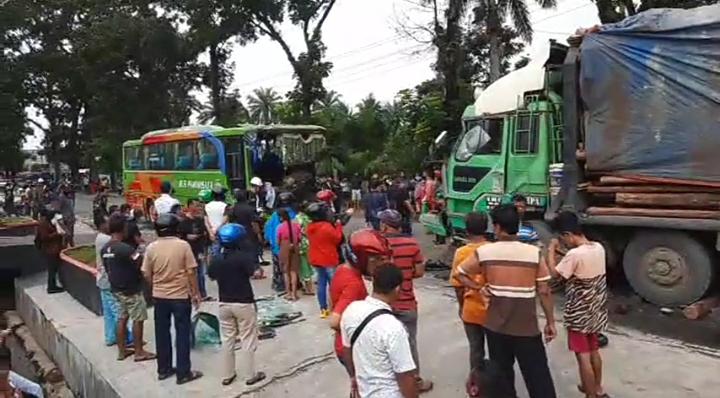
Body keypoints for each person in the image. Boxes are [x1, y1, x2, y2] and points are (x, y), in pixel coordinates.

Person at [456, 204, 557, 398]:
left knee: (501, 378)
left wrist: (479, 288)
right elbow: (544, 291)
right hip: (527, 328)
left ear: (497, 227)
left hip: (496, 328)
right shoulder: (533, 253)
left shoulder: (486, 253)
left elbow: (461, 274)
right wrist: (550, 322)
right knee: (539, 379)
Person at [547, 211, 609, 398]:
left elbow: (554, 274)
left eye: (562, 238)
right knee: (594, 350)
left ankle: (590, 394)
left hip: (579, 313)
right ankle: (597, 388)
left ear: (567, 234)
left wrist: (551, 250)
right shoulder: (598, 247)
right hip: (596, 309)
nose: (562, 242)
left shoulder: (574, 255)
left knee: (582, 356)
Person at [141, 214, 203, 384]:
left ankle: (164, 369)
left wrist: (156, 284)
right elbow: (191, 272)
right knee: (182, 334)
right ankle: (183, 373)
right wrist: (196, 293)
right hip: (180, 297)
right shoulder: (183, 246)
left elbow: (146, 273)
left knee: (162, 333)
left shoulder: (151, 248)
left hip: (159, 297)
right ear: (176, 229)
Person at [340, 265, 418, 398]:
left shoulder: (351, 310)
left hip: (364, 391)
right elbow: (404, 375)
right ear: (397, 289)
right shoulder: (394, 327)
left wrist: (353, 377)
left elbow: (347, 350)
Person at [378, 209, 432, 393]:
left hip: (384, 306)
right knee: (410, 345)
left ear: (384, 225)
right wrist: (405, 276)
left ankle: (390, 384)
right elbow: (419, 272)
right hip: (407, 303)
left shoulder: (379, 246)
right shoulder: (412, 244)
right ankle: (415, 382)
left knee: (384, 347)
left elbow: (371, 274)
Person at [329, 229, 392, 385]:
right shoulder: (354, 285)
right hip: (351, 349)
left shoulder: (343, 269)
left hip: (344, 345)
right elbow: (334, 321)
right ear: (364, 259)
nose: (380, 264)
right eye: (377, 259)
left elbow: (333, 303)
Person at [208, 224, 266, 387]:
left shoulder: (217, 258)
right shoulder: (243, 257)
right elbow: (255, 273)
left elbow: (211, 275)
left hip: (224, 303)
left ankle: (228, 374)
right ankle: (250, 375)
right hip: (243, 302)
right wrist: (258, 270)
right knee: (248, 339)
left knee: (227, 340)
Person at [102, 214, 155, 362]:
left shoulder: (106, 248)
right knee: (138, 319)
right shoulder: (125, 249)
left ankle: (122, 351)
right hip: (131, 289)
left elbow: (107, 269)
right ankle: (139, 352)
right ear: (122, 229)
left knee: (122, 318)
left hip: (116, 290)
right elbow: (142, 264)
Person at [449, 212, 490, 371]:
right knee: (496, 351)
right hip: (492, 309)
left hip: (471, 308)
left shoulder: (461, 253)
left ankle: (476, 384)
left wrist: (461, 307)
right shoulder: (493, 249)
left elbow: (458, 286)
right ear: (486, 227)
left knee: (476, 349)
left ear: (467, 229)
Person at [94, 211, 132, 347]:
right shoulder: (106, 240)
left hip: (102, 279)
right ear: (101, 225)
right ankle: (126, 338)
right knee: (118, 312)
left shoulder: (100, 238)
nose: (109, 225)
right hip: (109, 279)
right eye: (107, 222)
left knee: (109, 312)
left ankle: (111, 337)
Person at [306, 202, 344, 318]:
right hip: (328, 259)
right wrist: (338, 225)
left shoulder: (310, 227)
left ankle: (323, 309)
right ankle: (336, 308)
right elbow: (338, 239)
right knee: (334, 285)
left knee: (321, 284)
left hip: (316, 259)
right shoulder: (326, 227)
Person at [180, 198, 213, 301]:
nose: (197, 208)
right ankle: (192, 293)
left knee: (200, 272)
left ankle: (202, 293)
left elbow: (204, 234)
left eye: (198, 206)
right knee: (190, 273)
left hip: (198, 249)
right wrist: (187, 237)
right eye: (195, 206)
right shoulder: (183, 221)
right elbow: (180, 236)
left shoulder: (200, 220)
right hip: (188, 250)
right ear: (189, 206)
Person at [264, 192, 296, 293]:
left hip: (278, 248)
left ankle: (281, 286)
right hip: (293, 247)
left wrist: (271, 243)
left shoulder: (275, 215)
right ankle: (294, 287)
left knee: (280, 269)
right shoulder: (294, 214)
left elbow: (268, 230)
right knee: (293, 269)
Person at [227, 189, 264, 269]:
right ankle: (254, 269)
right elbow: (254, 223)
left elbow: (229, 221)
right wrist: (258, 234)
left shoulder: (232, 209)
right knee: (252, 252)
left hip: (236, 234)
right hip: (249, 234)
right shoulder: (250, 209)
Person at [35, 208, 65, 294]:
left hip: (55, 249)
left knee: (54, 269)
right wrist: (56, 234)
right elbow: (44, 237)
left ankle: (53, 285)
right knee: (51, 269)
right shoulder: (43, 224)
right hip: (49, 250)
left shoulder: (53, 223)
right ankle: (51, 287)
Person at [277, 208, 302, 301]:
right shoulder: (296, 225)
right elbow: (299, 238)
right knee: (294, 272)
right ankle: (294, 294)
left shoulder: (280, 227)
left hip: (284, 248)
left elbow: (278, 241)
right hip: (295, 248)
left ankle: (288, 293)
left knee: (286, 272)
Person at [294, 205, 315, 295]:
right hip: (309, 243)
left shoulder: (297, 219)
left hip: (301, 245)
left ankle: (309, 289)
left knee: (304, 267)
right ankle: (309, 287)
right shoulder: (309, 219)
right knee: (308, 265)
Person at [205, 184, 228, 261]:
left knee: (212, 253)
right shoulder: (225, 206)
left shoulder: (207, 206)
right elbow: (225, 220)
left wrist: (211, 232)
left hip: (211, 233)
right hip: (223, 232)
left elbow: (206, 221)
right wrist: (217, 229)